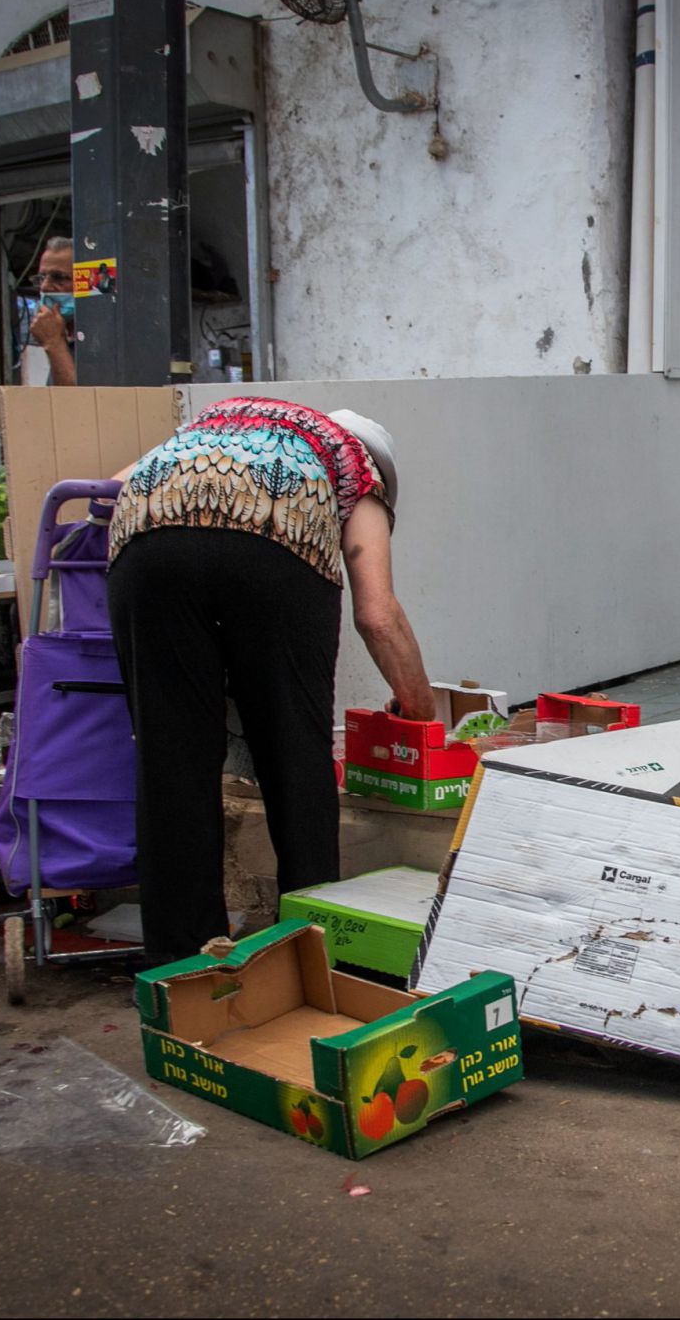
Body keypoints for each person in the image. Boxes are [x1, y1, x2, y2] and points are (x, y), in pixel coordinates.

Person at [106, 395, 435, 965]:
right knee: (293, 754)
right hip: (273, 542)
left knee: (172, 766)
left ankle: (183, 974)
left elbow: (114, 484)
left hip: (146, 535)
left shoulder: (224, 421)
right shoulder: (354, 466)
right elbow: (378, 614)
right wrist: (421, 712)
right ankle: (308, 954)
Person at [28, 236, 76, 386]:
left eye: (59, 277)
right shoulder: (66, 339)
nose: (44, 286)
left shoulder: (111, 341)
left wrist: (53, 343)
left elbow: (82, 402)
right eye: (42, 278)